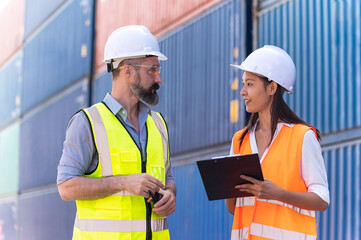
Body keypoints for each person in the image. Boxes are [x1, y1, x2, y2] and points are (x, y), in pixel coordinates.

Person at [57, 25, 176, 240]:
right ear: (128, 70)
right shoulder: (88, 122)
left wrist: (170, 194)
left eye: (158, 70)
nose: (158, 79)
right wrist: (122, 182)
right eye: (152, 70)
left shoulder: (158, 124)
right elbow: (66, 187)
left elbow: (168, 178)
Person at [226, 45, 329, 240]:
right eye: (243, 84)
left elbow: (322, 200)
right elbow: (233, 208)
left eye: (249, 84)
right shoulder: (240, 140)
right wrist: (225, 185)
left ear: (272, 87)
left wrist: (278, 194)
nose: (242, 92)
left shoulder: (302, 136)